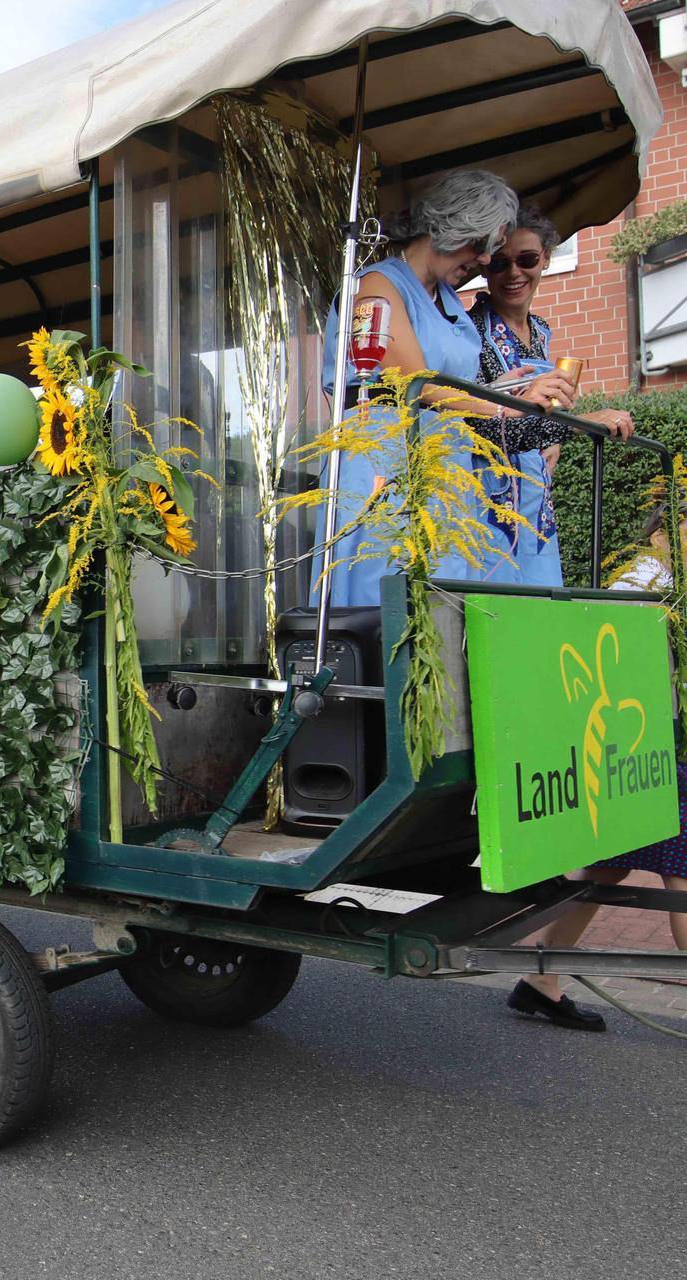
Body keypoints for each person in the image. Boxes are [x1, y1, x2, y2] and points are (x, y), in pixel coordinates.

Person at [317, 169, 586, 605]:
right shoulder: (376, 285)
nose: (484, 260)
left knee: (446, 598)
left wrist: (507, 390)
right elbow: (416, 381)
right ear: (449, 225)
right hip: (388, 457)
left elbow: (453, 385)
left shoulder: (444, 298)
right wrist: (504, 407)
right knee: (392, 592)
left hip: (447, 466)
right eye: (481, 245)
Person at [503, 507, 687, 1030]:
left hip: (646, 743)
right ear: (661, 533)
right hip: (643, 745)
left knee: (609, 865)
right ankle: (541, 978)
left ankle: (541, 979)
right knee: (680, 871)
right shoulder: (646, 579)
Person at [465, 205, 636, 586]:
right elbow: (478, 425)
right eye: (499, 263)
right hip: (486, 504)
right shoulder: (468, 332)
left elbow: (537, 423)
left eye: (526, 259)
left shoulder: (541, 331)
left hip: (536, 503)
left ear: (545, 260)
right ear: (484, 268)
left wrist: (552, 439)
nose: (514, 273)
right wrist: (579, 424)